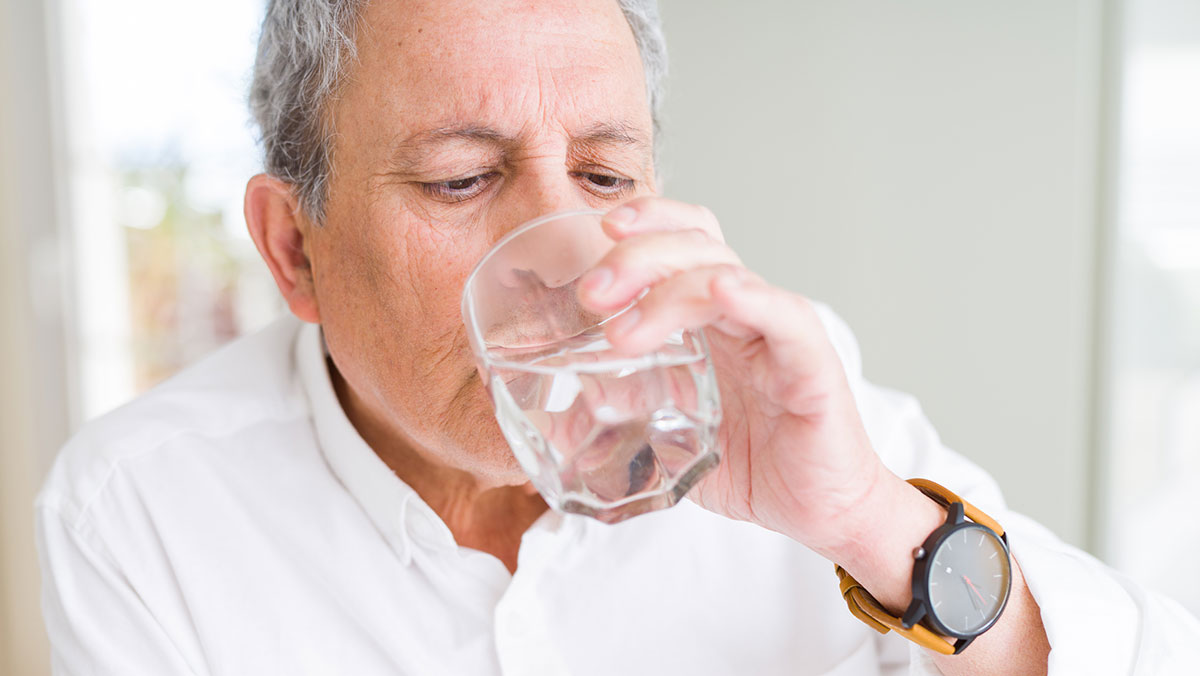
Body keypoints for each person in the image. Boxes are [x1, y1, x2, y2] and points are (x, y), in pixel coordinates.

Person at [35, 1, 1200, 674]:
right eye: (459, 179)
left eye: (604, 174)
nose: (571, 262)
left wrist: (868, 523)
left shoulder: (781, 398)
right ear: (295, 247)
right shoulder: (141, 510)